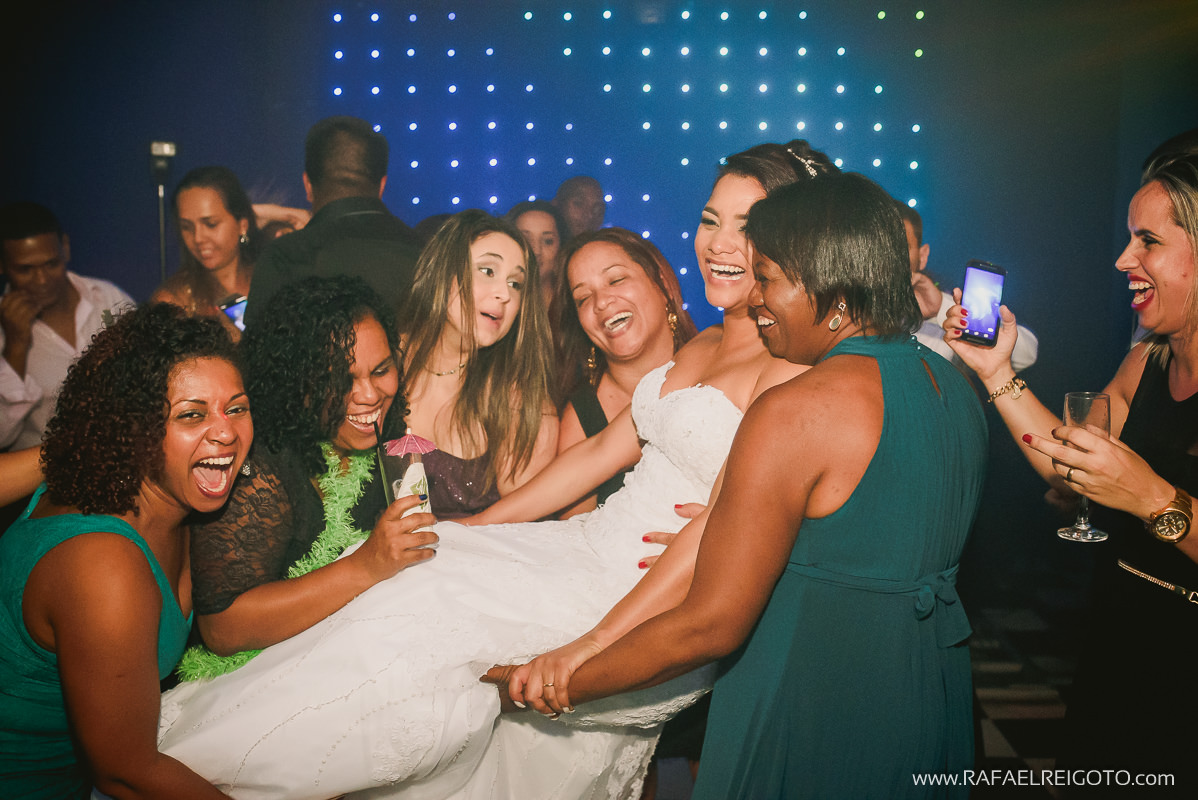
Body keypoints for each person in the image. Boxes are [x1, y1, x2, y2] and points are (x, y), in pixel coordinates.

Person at [157, 140, 824, 799]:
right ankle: (194, 761)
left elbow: (719, 531)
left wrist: (593, 644)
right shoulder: (705, 342)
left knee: (420, 614)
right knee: (427, 589)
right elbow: (596, 455)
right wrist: (478, 525)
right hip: (586, 548)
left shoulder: (792, 368)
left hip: (640, 594)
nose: (719, 242)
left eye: (747, 225)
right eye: (711, 221)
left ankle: (193, 769)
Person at [495, 171, 988, 799]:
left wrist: (569, 677)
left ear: (831, 294)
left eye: (771, 281)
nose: (756, 302)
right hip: (927, 689)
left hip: (808, 698)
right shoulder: (951, 384)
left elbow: (711, 624)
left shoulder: (795, 409)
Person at [943, 149, 1198, 784]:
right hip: (1121, 641)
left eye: (1148, 241)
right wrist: (995, 370)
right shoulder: (1148, 365)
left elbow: (1140, 493)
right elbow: (1066, 462)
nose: (1123, 260)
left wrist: (1152, 499)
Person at [0, 303, 248, 797]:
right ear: (133, 427)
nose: (225, 432)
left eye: (237, 408)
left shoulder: (179, 499)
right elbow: (124, 772)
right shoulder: (103, 564)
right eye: (192, 415)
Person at [180, 277, 436, 674]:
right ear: (297, 381)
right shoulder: (257, 465)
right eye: (341, 379)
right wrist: (364, 567)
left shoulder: (388, 436)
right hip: (256, 677)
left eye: (381, 370)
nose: (369, 394)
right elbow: (223, 629)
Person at [399, 210, 559, 518]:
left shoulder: (518, 399)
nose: (503, 294)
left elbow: (521, 526)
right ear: (443, 272)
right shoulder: (380, 360)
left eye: (516, 283)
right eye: (488, 271)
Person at [554, 227, 696, 516]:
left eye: (616, 280)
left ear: (662, 284)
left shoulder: (721, 366)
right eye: (583, 298)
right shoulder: (581, 418)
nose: (601, 302)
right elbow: (569, 538)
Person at [243, 116, 423, 327]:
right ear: (382, 186)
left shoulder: (285, 258)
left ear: (307, 185)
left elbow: (258, 352)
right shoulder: (425, 254)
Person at [0, 201, 133, 451]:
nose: (41, 280)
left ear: (66, 249)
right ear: (3, 266)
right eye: (25, 270)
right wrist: (15, 347)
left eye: (51, 264)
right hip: (41, 481)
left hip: (123, 463)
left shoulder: (106, 297)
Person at [899, 202, 1039, 371]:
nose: (890, 258)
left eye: (901, 248)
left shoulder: (938, 327)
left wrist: (941, 308)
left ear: (922, 256)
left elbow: (1027, 354)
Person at [153, 166, 262, 339]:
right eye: (186, 227)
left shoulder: (270, 277)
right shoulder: (174, 300)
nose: (198, 238)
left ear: (242, 225)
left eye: (210, 224)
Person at [505, 199, 570, 312]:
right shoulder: (496, 300)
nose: (536, 251)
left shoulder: (572, 306)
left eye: (548, 241)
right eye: (525, 240)